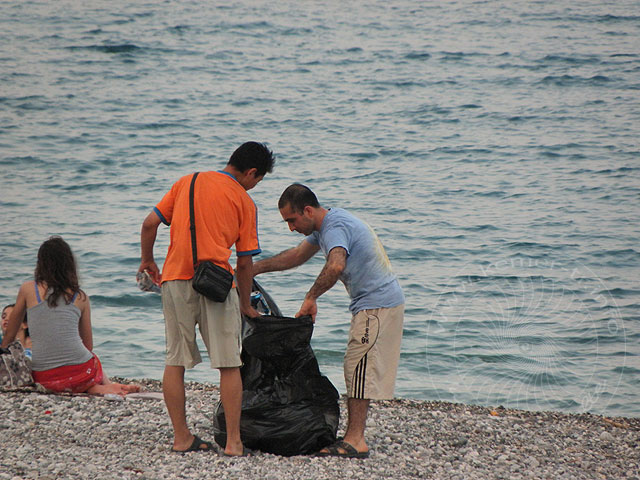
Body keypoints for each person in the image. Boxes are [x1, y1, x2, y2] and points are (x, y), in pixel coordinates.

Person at [138, 141, 275, 455]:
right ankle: (234, 443)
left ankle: (181, 438)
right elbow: (243, 262)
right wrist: (243, 304)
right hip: (215, 285)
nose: (255, 186)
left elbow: (149, 223)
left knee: (175, 360)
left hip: (174, 280)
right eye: (258, 180)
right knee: (228, 363)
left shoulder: (187, 182)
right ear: (252, 172)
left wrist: (147, 260)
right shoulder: (244, 201)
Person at [252, 183, 405, 458]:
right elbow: (297, 255)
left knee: (358, 368)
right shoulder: (324, 226)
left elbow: (336, 265)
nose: (290, 227)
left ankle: (356, 440)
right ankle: (353, 435)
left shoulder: (334, 227)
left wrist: (311, 297)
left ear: (308, 211)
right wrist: (256, 268)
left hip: (377, 304)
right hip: (372, 303)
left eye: (292, 220)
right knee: (356, 365)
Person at [0, 236, 140, 396]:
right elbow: (88, 346)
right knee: (92, 359)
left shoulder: (27, 289)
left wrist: (3, 353)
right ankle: (102, 385)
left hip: (45, 378)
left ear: (40, 264)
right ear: (69, 265)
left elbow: (10, 334)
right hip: (80, 374)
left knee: (66, 371)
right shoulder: (80, 297)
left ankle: (100, 387)